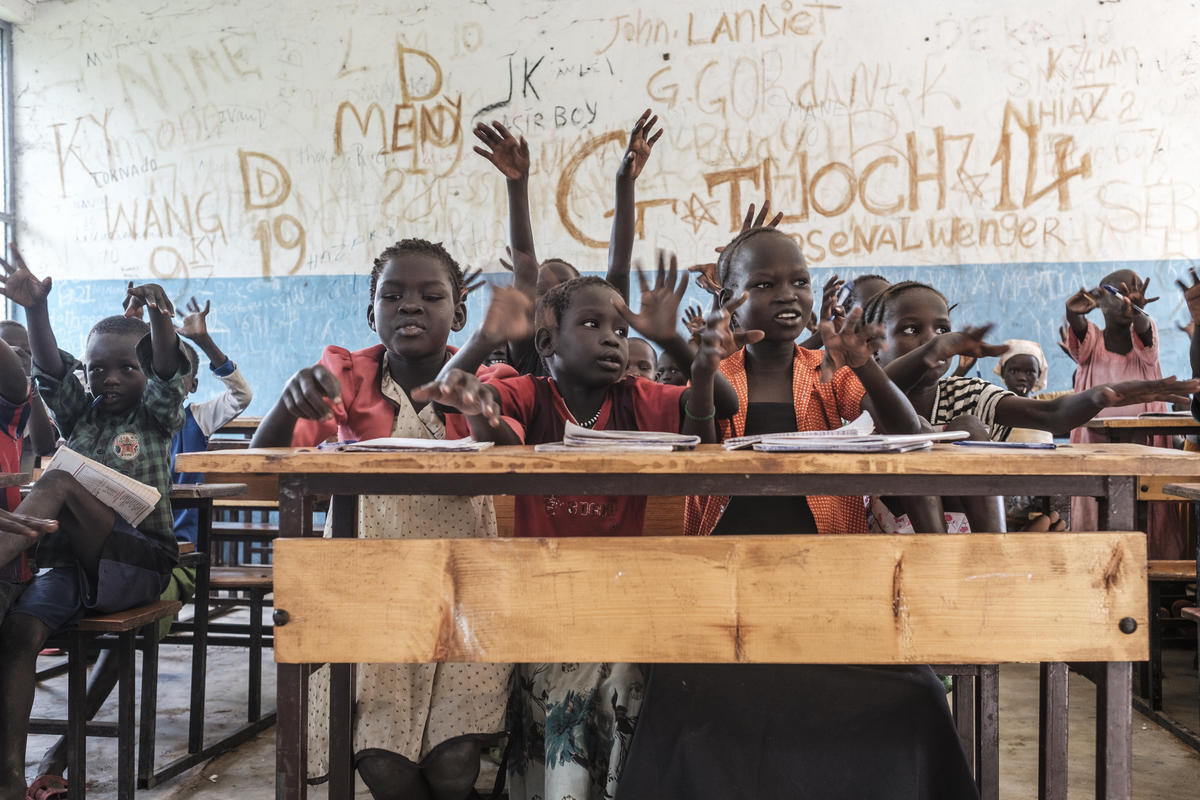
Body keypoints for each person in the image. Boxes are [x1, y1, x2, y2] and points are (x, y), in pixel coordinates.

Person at [619, 227, 976, 800]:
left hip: (828, 586)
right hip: (726, 589)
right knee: (689, 693)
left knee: (918, 691)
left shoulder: (828, 372)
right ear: (730, 297)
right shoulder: (719, 366)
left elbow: (908, 434)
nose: (788, 294)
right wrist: (702, 370)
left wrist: (865, 364)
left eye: (799, 282)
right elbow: (701, 451)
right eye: (764, 284)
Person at [418, 256, 736, 800]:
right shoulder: (529, 393)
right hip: (541, 601)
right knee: (589, 675)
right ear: (547, 344)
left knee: (624, 676)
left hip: (620, 600)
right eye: (592, 325)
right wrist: (481, 410)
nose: (612, 339)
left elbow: (722, 404)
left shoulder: (636, 399)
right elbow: (473, 407)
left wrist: (683, 350)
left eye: (620, 328)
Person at [249, 239, 510, 800]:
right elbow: (264, 462)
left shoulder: (487, 378)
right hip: (370, 596)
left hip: (465, 597)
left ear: (458, 312)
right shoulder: (347, 377)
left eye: (429, 295)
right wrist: (288, 403)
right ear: (372, 314)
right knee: (383, 764)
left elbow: (513, 459)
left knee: (455, 764)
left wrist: (479, 410)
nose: (409, 306)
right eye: (392, 296)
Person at [0, 248, 186, 800]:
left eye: (126, 368)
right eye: (98, 368)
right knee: (20, 634)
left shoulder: (153, 415)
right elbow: (52, 374)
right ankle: (11, 778)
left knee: (55, 482)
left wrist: (158, 321)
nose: (110, 378)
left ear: (144, 372)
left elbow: (168, 373)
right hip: (75, 564)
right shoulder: (81, 414)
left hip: (140, 559)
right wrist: (37, 311)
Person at [865, 280, 1196, 533]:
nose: (932, 339)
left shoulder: (964, 393)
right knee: (917, 432)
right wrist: (934, 348)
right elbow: (883, 395)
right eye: (911, 330)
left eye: (942, 330)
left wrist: (1103, 396)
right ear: (873, 348)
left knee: (969, 426)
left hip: (967, 541)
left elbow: (1049, 415)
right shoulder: (861, 395)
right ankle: (940, 551)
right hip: (890, 542)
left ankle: (996, 549)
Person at [472, 110, 662, 376]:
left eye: (565, 290)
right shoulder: (530, 347)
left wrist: (625, 182)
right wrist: (517, 182)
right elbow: (525, 269)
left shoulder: (603, 350)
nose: (553, 298)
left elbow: (618, 268)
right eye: (542, 293)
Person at [1064, 271, 1185, 555]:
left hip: (1145, 447)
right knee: (1098, 511)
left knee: (1150, 513)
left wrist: (1139, 311)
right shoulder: (1091, 342)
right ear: (1100, 300)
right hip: (1097, 447)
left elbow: (1142, 326)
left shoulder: (1145, 339)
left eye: (1133, 292)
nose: (1127, 298)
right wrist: (1073, 312)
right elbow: (1078, 323)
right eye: (1118, 293)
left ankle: (1158, 584)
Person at [165, 297, 252, 544]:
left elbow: (241, 396)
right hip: (138, 543)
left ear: (192, 385)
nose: (168, 379)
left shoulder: (196, 419)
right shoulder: (135, 420)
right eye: (161, 371)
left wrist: (204, 342)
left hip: (181, 543)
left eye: (179, 372)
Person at [0, 321, 57, 472]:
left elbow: (44, 448)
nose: (19, 355)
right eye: (8, 349)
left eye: (28, 352)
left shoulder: (33, 394)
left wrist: (27, 381)